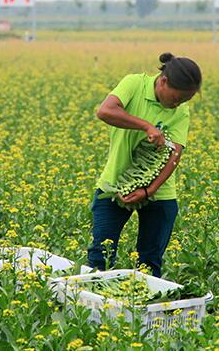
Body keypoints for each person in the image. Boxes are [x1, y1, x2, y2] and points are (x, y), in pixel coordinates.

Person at [87, 52, 202, 278]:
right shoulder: (134, 84)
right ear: (163, 81)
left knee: (149, 262)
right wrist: (147, 127)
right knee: (100, 256)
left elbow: (174, 155)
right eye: (177, 98)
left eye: (185, 101)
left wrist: (149, 190)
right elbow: (105, 111)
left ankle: (141, 310)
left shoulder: (181, 111)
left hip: (159, 193)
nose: (178, 104)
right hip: (115, 186)